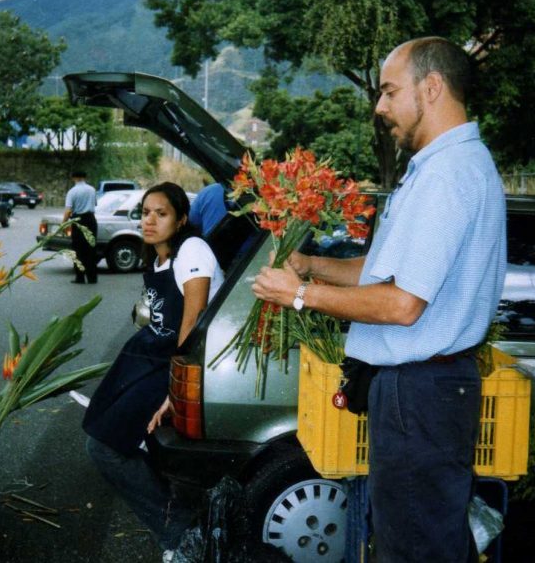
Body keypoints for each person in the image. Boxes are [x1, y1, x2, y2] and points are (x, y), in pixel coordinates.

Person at [251, 37, 507, 562]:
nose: (380, 106)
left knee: (413, 549)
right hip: (419, 391)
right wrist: (312, 265)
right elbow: (382, 274)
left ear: (431, 88)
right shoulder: (435, 169)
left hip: (421, 391)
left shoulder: (448, 175)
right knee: (409, 536)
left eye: (390, 92)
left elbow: (401, 304)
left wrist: (299, 295)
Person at [83, 182, 224, 559]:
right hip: (147, 356)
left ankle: (178, 531)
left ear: (180, 220)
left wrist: (171, 393)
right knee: (100, 428)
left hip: (176, 363)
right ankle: (181, 513)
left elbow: (192, 323)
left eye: (161, 214)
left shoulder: (192, 250)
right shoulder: (159, 259)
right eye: (146, 212)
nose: (149, 220)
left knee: (103, 447)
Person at [64, 169, 98, 284]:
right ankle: (92, 277)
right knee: (91, 249)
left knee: (78, 250)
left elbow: (68, 211)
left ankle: (80, 277)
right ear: (85, 177)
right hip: (91, 220)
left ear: (73, 178)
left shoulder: (72, 191)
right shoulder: (92, 190)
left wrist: (64, 224)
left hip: (78, 220)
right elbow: (95, 204)